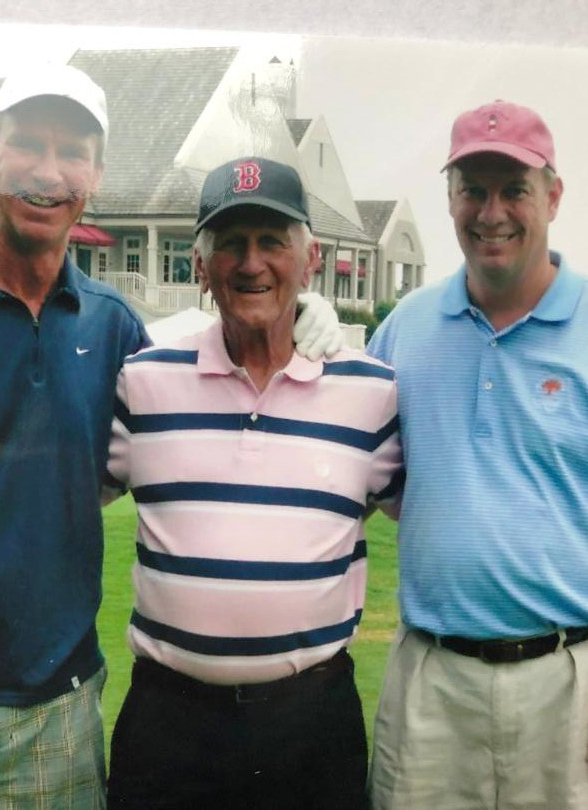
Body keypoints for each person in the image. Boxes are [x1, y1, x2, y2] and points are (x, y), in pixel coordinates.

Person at [0, 65, 343, 807]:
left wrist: (309, 324)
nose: (48, 172)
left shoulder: (113, 326)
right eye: (28, 144)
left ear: (96, 173)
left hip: (60, 705)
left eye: (72, 151)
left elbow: (199, 416)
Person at [366, 100, 588, 809]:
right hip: (433, 684)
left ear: (554, 195)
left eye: (513, 189)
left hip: (577, 685)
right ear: (449, 198)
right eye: (472, 189)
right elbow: (374, 483)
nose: (491, 212)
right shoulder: (403, 331)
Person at [103, 157, 403, 809]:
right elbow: (45, 495)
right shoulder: (145, 382)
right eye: (231, 244)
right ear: (200, 265)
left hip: (310, 724)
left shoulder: (371, 393)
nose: (251, 262)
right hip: (168, 724)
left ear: (310, 257)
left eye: (272, 241)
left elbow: (434, 513)